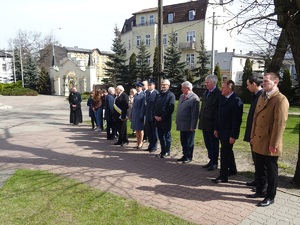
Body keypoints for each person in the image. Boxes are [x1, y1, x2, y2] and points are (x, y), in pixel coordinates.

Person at [246, 72, 289, 207]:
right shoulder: (262, 96)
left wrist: (274, 144)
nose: (263, 83)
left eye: (266, 81)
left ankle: (270, 196)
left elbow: (279, 124)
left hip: (270, 142)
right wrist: (252, 136)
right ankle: (260, 190)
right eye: (263, 81)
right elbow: (255, 119)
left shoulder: (280, 100)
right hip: (258, 139)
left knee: (271, 172)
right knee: (259, 168)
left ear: (275, 83)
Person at [212, 80, 243, 183]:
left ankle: (223, 176)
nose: (221, 89)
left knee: (224, 153)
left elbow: (236, 121)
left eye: (223, 88)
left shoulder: (236, 101)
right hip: (221, 130)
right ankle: (232, 169)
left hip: (229, 133)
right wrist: (216, 128)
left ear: (229, 89)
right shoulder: (222, 98)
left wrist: (233, 136)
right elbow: (218, 115)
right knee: (228, 151)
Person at [198, 75, 221, 171]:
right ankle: (211, 160)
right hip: (204, 123)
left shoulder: (218, 94)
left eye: (208, 83)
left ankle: (214, 162)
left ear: (214, 83)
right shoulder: (206, 93)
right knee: (207, 143)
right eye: (206, 82)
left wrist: (216, 126)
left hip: (212, 124)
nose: (206, 84)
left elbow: (218, 111)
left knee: (213, 144)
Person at [243, 75, 263, 187]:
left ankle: (261, 183)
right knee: (255, 159)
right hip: (252, 132)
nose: (247, 87)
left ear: (254, 84)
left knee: (259, 160)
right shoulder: (256, 96)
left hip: (257, 134)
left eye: (248, 85)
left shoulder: (262, 96)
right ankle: (257, 180)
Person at [176, 81, 200, 163]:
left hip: (189, 124)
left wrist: (193, 126)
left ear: (188, 88)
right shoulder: (182, 96)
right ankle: (185, 154)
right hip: (182, 124)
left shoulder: (194, 98)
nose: (181, 89)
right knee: (183, 141)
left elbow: (195, 114)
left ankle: (189, 156)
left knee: (189, 142)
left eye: (183, 87)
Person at [154, 79, 175, 158]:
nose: (163, 86)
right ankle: (162, 151)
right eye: (162, 84)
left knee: (166, 136)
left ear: (168, 86)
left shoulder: (171, 95)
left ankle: (167, 151)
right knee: (160, 136)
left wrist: (162, 117)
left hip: (165, 120)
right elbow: (155, 106)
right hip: (157, 120)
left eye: (165, 84)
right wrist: (155, 115)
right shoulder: (159, 94)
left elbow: (170, 109)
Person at [145, 79, 159, 152]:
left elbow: (156, 106)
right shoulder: (147, 93)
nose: (149, 86)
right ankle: (150, 144)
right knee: (149, 131)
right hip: (147, 115)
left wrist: (155, 115)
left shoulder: (156, 93)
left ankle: (154, 146)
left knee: (154, 132)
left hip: (153, 116)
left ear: (154, 86)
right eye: (148, 85)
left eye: (150, 85)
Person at [131, 82, 146, 149]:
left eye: (139, 87)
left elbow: (143, 106)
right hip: (135, 114)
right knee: (136, 129)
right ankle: (138, 142)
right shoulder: (136, 95)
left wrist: (142, 115)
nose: (137, 88)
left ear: (141, 87)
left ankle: (140, 143)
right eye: (137, 87)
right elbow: (133, 106)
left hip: (140, 114)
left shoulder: (143, 95)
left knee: (140, 129)